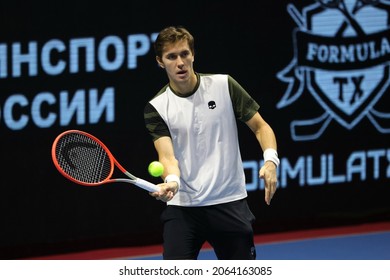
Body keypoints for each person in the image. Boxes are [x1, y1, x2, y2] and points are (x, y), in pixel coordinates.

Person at [143, 26, 279, 260]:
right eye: (171, 57)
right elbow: (166, 156)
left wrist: (271, 161)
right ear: (160, 61)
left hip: (228, 201)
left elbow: (261, 127)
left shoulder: (224, 86)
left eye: (185, 54)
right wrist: (173, 182)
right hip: (183, 206)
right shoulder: (157, 107)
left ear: (193, 54)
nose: (180, 63)